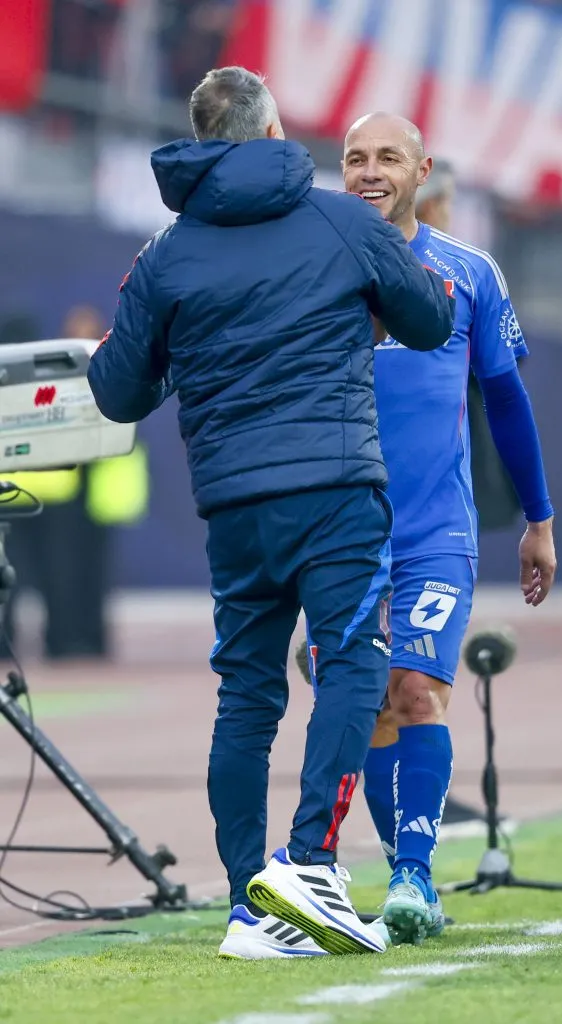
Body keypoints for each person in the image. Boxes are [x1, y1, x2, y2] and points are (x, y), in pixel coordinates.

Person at [87, 68, 454, 959]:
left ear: (201, 142)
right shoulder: (342, 220)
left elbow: (114, 393)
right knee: (351, 665)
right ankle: (311, 868)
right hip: (334, 490)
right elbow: (429, 322)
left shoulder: (166, 251)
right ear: (275, 127)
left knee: (246, 697)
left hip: (233, 505)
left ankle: (250, 910)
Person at [324, 112, 555, 947]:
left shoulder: (468, 271)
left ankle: (415, 875)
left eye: (388, 156)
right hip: (338, 539)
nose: (370, 170)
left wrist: (538, 519)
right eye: (355, 158)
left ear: (423, 170)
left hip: (433, 536)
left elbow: (506, 402)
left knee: (418, 690)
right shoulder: (313, 266)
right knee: (372, 712)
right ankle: (402, 876)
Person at [415, 160, 521, 838]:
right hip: (405, 498)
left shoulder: (465, 277)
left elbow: (501, 390)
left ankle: (423, 792)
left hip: (442, 495)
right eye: (446, 202)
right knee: (402, 666)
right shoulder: (385, 278)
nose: (451, 215)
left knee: (418, 663)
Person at [0, 308, 149, 662]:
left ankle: (13, 644)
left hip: (15, 492)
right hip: (58, 489)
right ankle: (66, 643)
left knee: (12, 578)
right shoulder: (53, 373)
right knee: (63, 577)